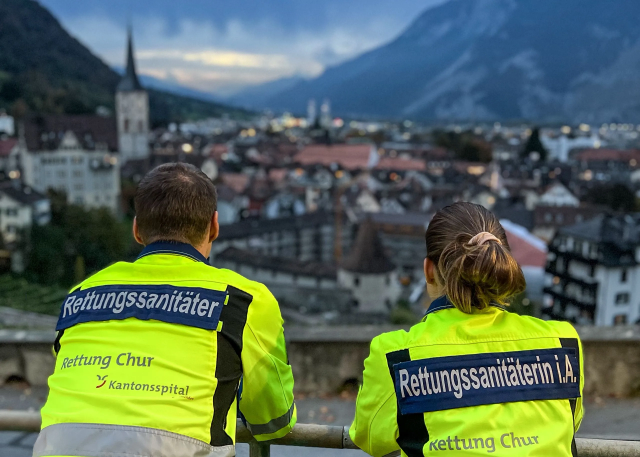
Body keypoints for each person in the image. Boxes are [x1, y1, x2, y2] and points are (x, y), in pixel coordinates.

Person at [33, 163, 296, 457]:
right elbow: (273, 422)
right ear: (214, 226)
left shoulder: (81, 295)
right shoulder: (243, 300)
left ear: (136, 230)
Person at [349, 202, 583, 457]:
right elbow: (569, 423)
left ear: (429, 271)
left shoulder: (396, 355)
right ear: (499, 264)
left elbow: (369, 438)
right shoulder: (562, 342)